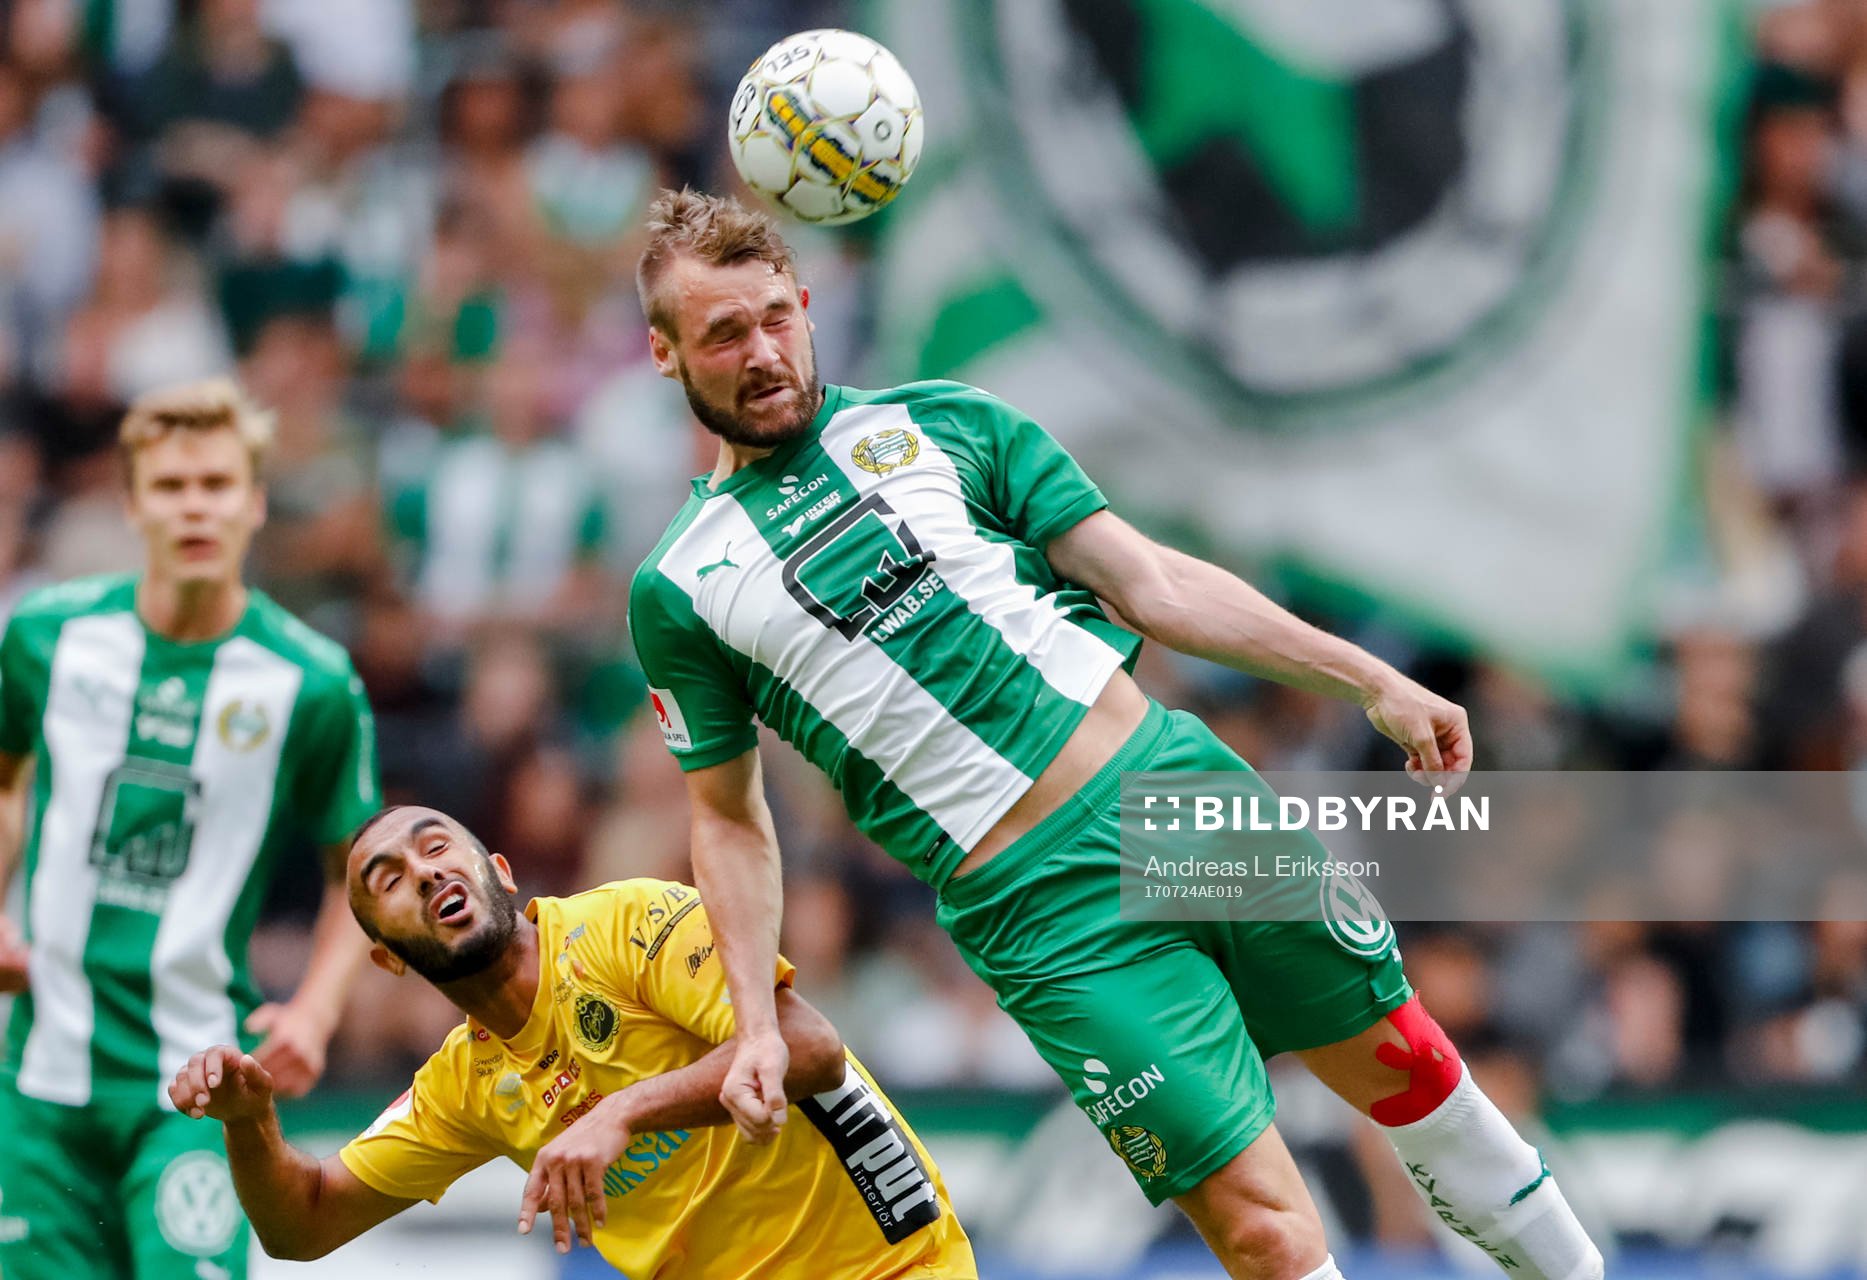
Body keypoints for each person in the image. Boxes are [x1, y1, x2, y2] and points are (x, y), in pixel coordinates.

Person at [625, 189, 1604, 1280]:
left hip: (1173, 795)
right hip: (1044, 916)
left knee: (1414, 1071)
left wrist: (1369, 677)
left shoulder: (945, 422)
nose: (763, 352)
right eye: (723, 333)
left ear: (806, 305)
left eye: (775, 317)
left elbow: (1153, 580)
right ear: (665, 353)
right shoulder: (678, 586)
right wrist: (755, 1022)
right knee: (1265, 1233)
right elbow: (726, 815)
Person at [168, 804, 976, 1279]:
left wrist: (620, 1112)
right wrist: (249, 1122)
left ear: (501, 871)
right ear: (386, 957)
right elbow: (300, 1226)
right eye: (389, 878)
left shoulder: (626, 924)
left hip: (894, 1267)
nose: (422, 871)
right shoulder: (464, 1087)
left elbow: (808, 1049)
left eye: (437, 845)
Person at [0, 378, 381, 1280]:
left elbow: (355, 874)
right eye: (170, 487)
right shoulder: (46, 638)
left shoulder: (311, 682)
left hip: (199, 1088)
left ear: (252, 503)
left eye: (215, 484)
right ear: (132, 504)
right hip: (36, 1085)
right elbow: (6, 785)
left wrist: (317, 1016)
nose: (194, 506)